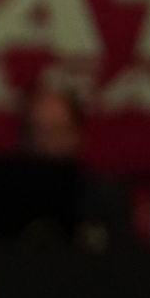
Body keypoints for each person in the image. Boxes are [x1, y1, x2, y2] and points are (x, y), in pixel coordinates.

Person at [18, 84, 132, 250]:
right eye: (37, 131)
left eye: (56, 131)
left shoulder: (106, 196)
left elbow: (126, 261)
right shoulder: (5, 199)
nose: (45, 142)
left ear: (77, 134)